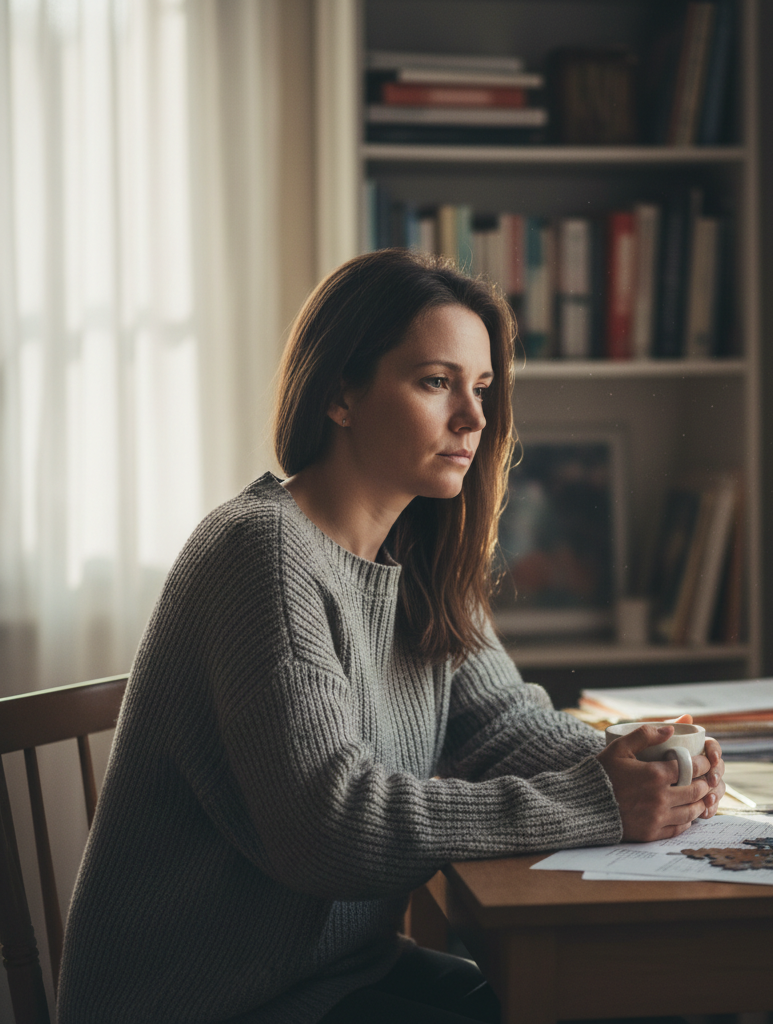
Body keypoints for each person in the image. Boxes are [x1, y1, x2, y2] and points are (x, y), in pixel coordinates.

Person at [57, 250, 725, 1024]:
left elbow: (505, 726)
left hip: (340, 976)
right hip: (209, 1003)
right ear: (339, 392)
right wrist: (596, 802)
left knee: (642, 999)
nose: (474, 418)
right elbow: (331, 830)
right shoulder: (262, 552)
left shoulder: (416, 555)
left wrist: (650, 764)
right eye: (436, 382)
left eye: (481, 388)